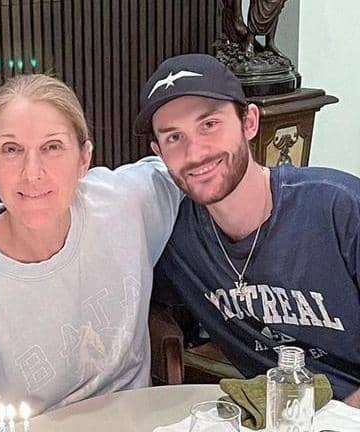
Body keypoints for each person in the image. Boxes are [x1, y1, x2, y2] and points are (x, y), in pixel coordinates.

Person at [0, 74, 183, 431]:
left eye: (52, 147)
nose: (32, 173)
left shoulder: (125, 202)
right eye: (11, 149)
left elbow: (197, 169)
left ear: (84, 158)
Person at [134, 53, 360, 407]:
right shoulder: (177, 240)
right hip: (273, 415)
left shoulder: (339, 207)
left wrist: (336, 419)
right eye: (174, 137)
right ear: (158, 153)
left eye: (209, 124)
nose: (195, 152)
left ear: (249, 122)